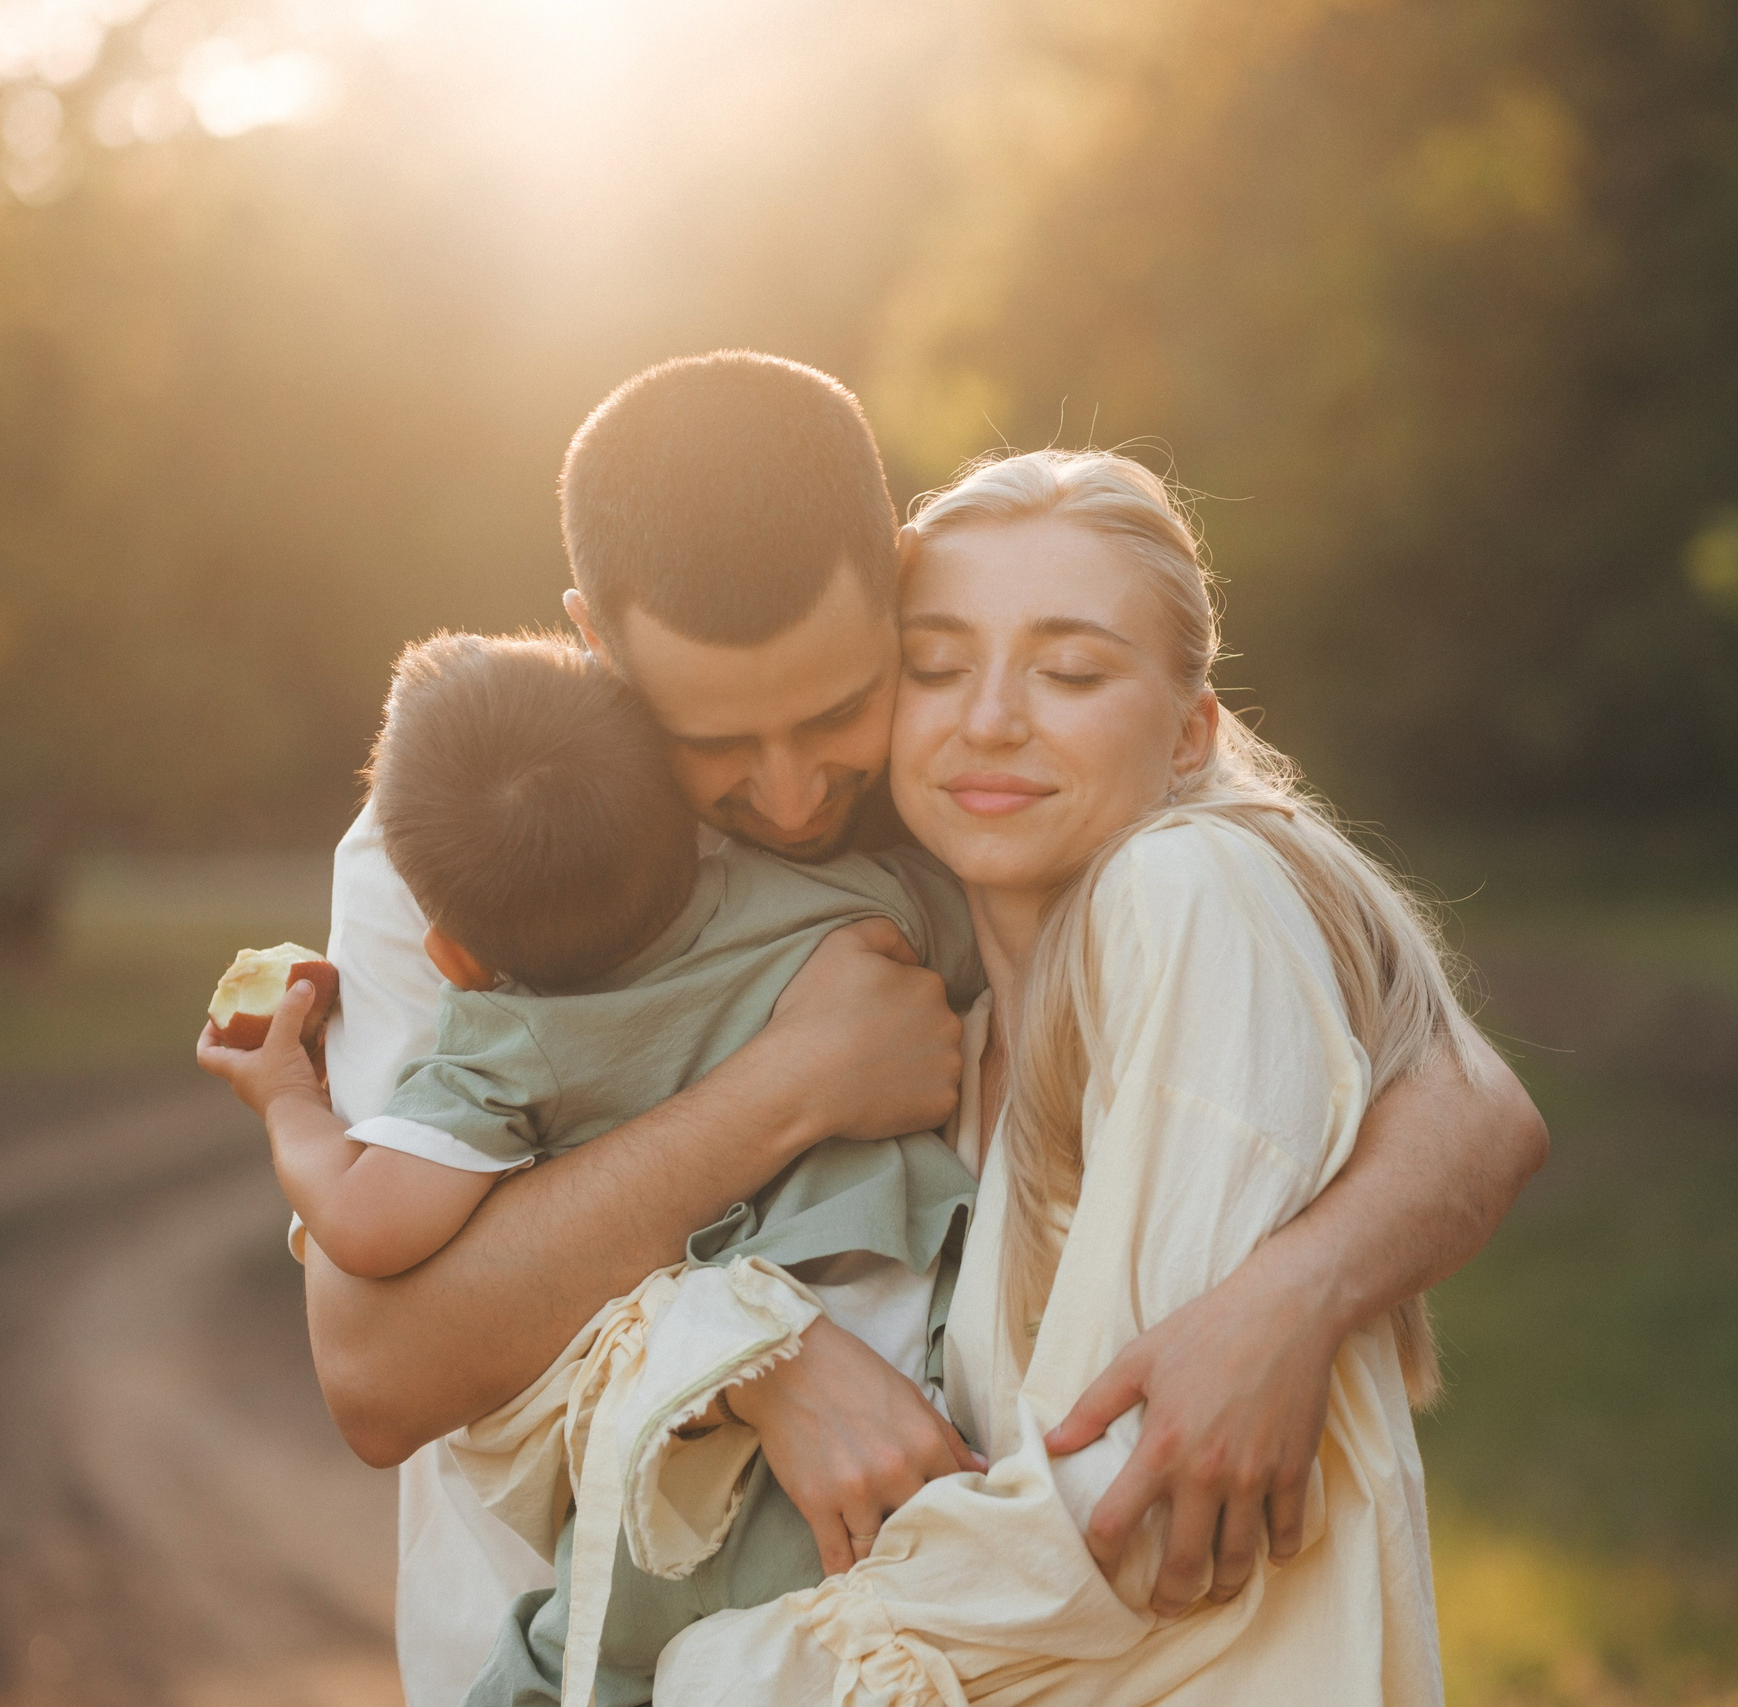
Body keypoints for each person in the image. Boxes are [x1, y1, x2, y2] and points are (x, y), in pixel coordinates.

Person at [300, 353, 1549, 1700]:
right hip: (573, 1618)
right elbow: (383, 1365)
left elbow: (1465, 1098)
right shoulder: (470, 838)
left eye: (840, 708)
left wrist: (1288, 1296)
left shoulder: (991, 744)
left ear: (899, 578)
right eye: (715, 740)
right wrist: (792, 1098)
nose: (789, 792)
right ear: (596, 647)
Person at [657, 447, 1487, 1704]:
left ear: (1191, 732)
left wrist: (730, 1673)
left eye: (1072, 670)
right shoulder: (957, 1041)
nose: (988, 716)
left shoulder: (1185, 893)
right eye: (935, 666)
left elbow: (1135, 1509)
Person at [198, 629, 984, 1705]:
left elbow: (371, 1227)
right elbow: (375, 1381)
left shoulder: (499, 1043)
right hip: (915, 1386)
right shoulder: (846, 901)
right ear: (692, 823)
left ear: (455, 959)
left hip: (689, 1478)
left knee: (583, 1650)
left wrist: (288, 1098)